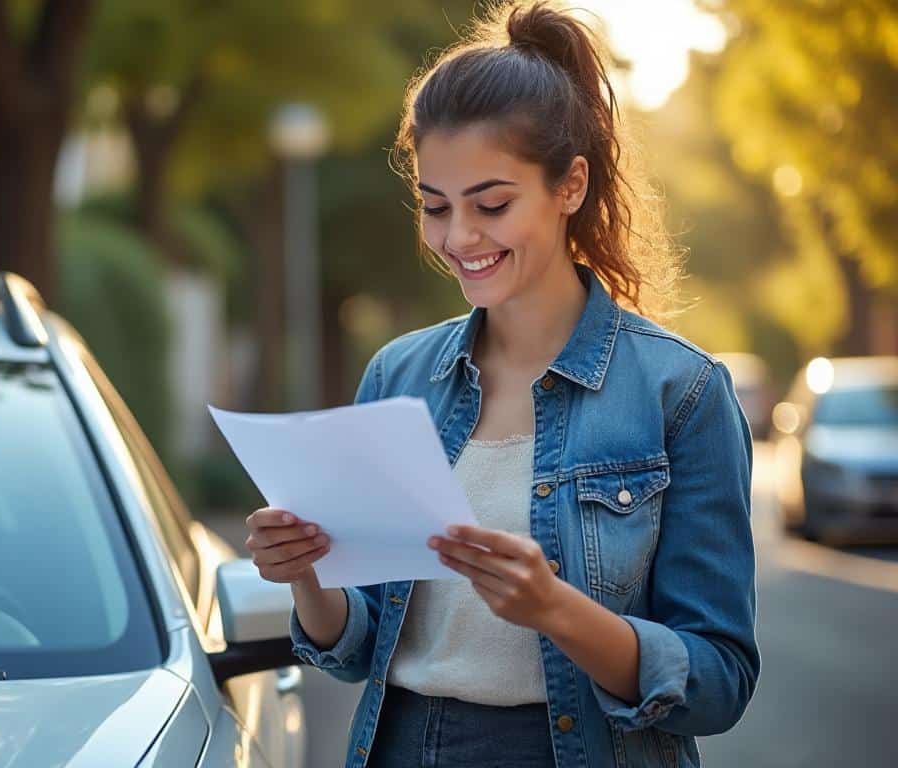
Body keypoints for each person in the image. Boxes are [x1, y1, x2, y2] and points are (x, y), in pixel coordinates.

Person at [242, 2, 759, 767]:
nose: (458, 239)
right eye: (435, 207)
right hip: (402, 746)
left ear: (570, 186)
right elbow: (355, 650)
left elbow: (718, 681)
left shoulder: (679, 392)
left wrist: (556, 611)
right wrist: (309, 579)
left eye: (491, 204)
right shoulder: (399, 376)